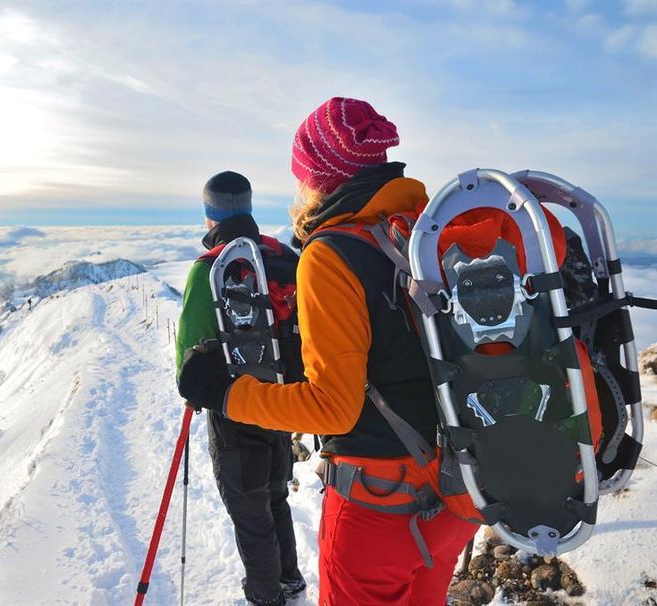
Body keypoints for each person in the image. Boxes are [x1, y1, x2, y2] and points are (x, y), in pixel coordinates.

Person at [178, 99, 478, 605]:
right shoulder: (420, 234)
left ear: (318, 176)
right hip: (457, 492)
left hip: (379, 507)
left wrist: (224, 393)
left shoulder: (331, 254)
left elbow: (333, 408)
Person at [175, 171, 306, 606]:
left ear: (209, 213)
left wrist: (196, 391)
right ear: (248, 207)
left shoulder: (208, 269)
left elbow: (190, 355)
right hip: (285, 402)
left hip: (235, 408)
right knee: (274, 496)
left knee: (249, 509)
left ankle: (265, 594)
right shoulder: (284, 256)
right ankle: (290, 580)